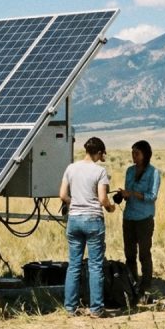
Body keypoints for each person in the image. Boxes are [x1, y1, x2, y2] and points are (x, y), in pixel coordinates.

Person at [59, 136, 116, 317]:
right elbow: (102, 198)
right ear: (99, 152)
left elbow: (62, 195)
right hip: (93, 219)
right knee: (95, 265)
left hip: (74, 219)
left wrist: (74, 202)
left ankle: (70, 307)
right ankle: (96, 308)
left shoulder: (71, 168)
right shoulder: (100, 171)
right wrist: (110, 207)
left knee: (74, 265)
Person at [116, 140, 161, 299]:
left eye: (137, 153)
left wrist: (133, 194)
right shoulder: (129, 171)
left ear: (145, 154)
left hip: (144, 218)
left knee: (144, 253)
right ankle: (132, 284)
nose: (133, 156)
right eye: (132, 153)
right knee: (129, 254)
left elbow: (152, 196)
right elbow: (128, 194)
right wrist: (123, 195)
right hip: (129, 217)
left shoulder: (153, 172)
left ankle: (146, 285)